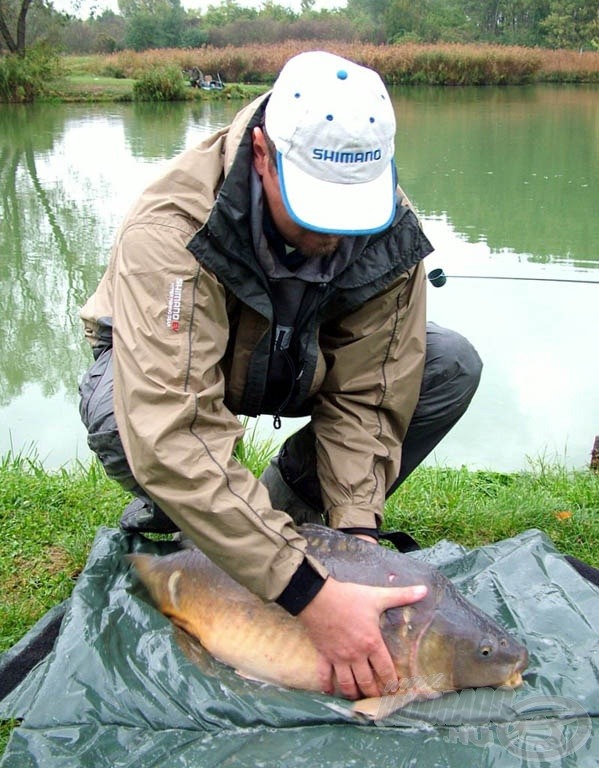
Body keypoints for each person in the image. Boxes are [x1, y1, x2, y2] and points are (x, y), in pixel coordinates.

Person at [79, 51, 482, 702]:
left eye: (351, 210)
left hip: (298, 359)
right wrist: (306, 596)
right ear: (262, 154)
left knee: (447, 364)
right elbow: (171, 420)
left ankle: (285, 512)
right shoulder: (174, 221)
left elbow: (370, 394)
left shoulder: (388, 223)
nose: (334, 232)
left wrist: (357, 549)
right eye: (316, 208)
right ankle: (195, 519)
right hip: (180, 362)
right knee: (120, 415)